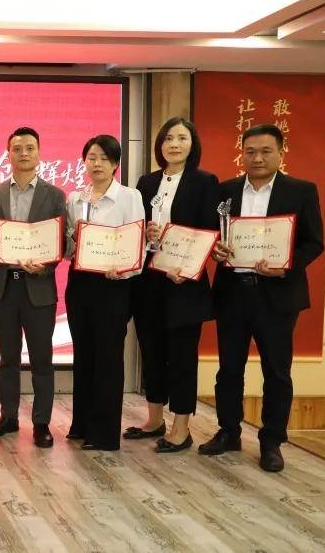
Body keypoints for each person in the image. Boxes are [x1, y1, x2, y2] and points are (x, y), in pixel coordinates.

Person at [201, 123, 324, 472]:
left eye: (266, 151)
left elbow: (314, 242)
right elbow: (212, 236)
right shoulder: (225, 192)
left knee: (277, 371)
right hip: (233, 292)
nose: (257, 158)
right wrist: (215, 250)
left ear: (281, 153)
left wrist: (285, 266)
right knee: (229, 369)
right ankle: (228, 431)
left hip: (277, 295)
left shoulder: (301, 191)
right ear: (242, 154)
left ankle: (272, 442)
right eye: (250, 151)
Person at [127, 118, 220, 453]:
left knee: (181, 357)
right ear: (160, 145)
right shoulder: (147, 182)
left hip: (184, 281)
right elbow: (135, 226)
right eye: (168, 138)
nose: (174, 144)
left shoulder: (205, 182)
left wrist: (188, 266)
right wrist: (147, 233)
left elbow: (210, 230)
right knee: (151, 351)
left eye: (182, 138)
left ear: (192, 144)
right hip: (150, 279)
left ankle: (182, 427)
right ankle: (154, 419)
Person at [0, 127, 71, 448]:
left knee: (41, 359)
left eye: (30, 148)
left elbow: (62, 242)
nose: (23, 153)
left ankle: (41, 422)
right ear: (8, 154)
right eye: (17, 148)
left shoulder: (55, 195)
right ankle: (8, 416)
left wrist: (45, 265)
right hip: (3, 287)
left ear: (39, 153)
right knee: (7, 358)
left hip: (39, 287)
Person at [65, 134, 144, 451]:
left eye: (104, 158)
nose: (96, 163)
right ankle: (82, 424)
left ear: (115, 164)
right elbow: (69, 248)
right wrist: (71, 241)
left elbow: (137, 244)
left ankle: (104, 434)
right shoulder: (75, 198)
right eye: (91, 157)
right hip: (80, 283)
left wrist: (123, 268)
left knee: (108, 358)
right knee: (83, 354)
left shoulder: (129, 197)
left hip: (112, 285)